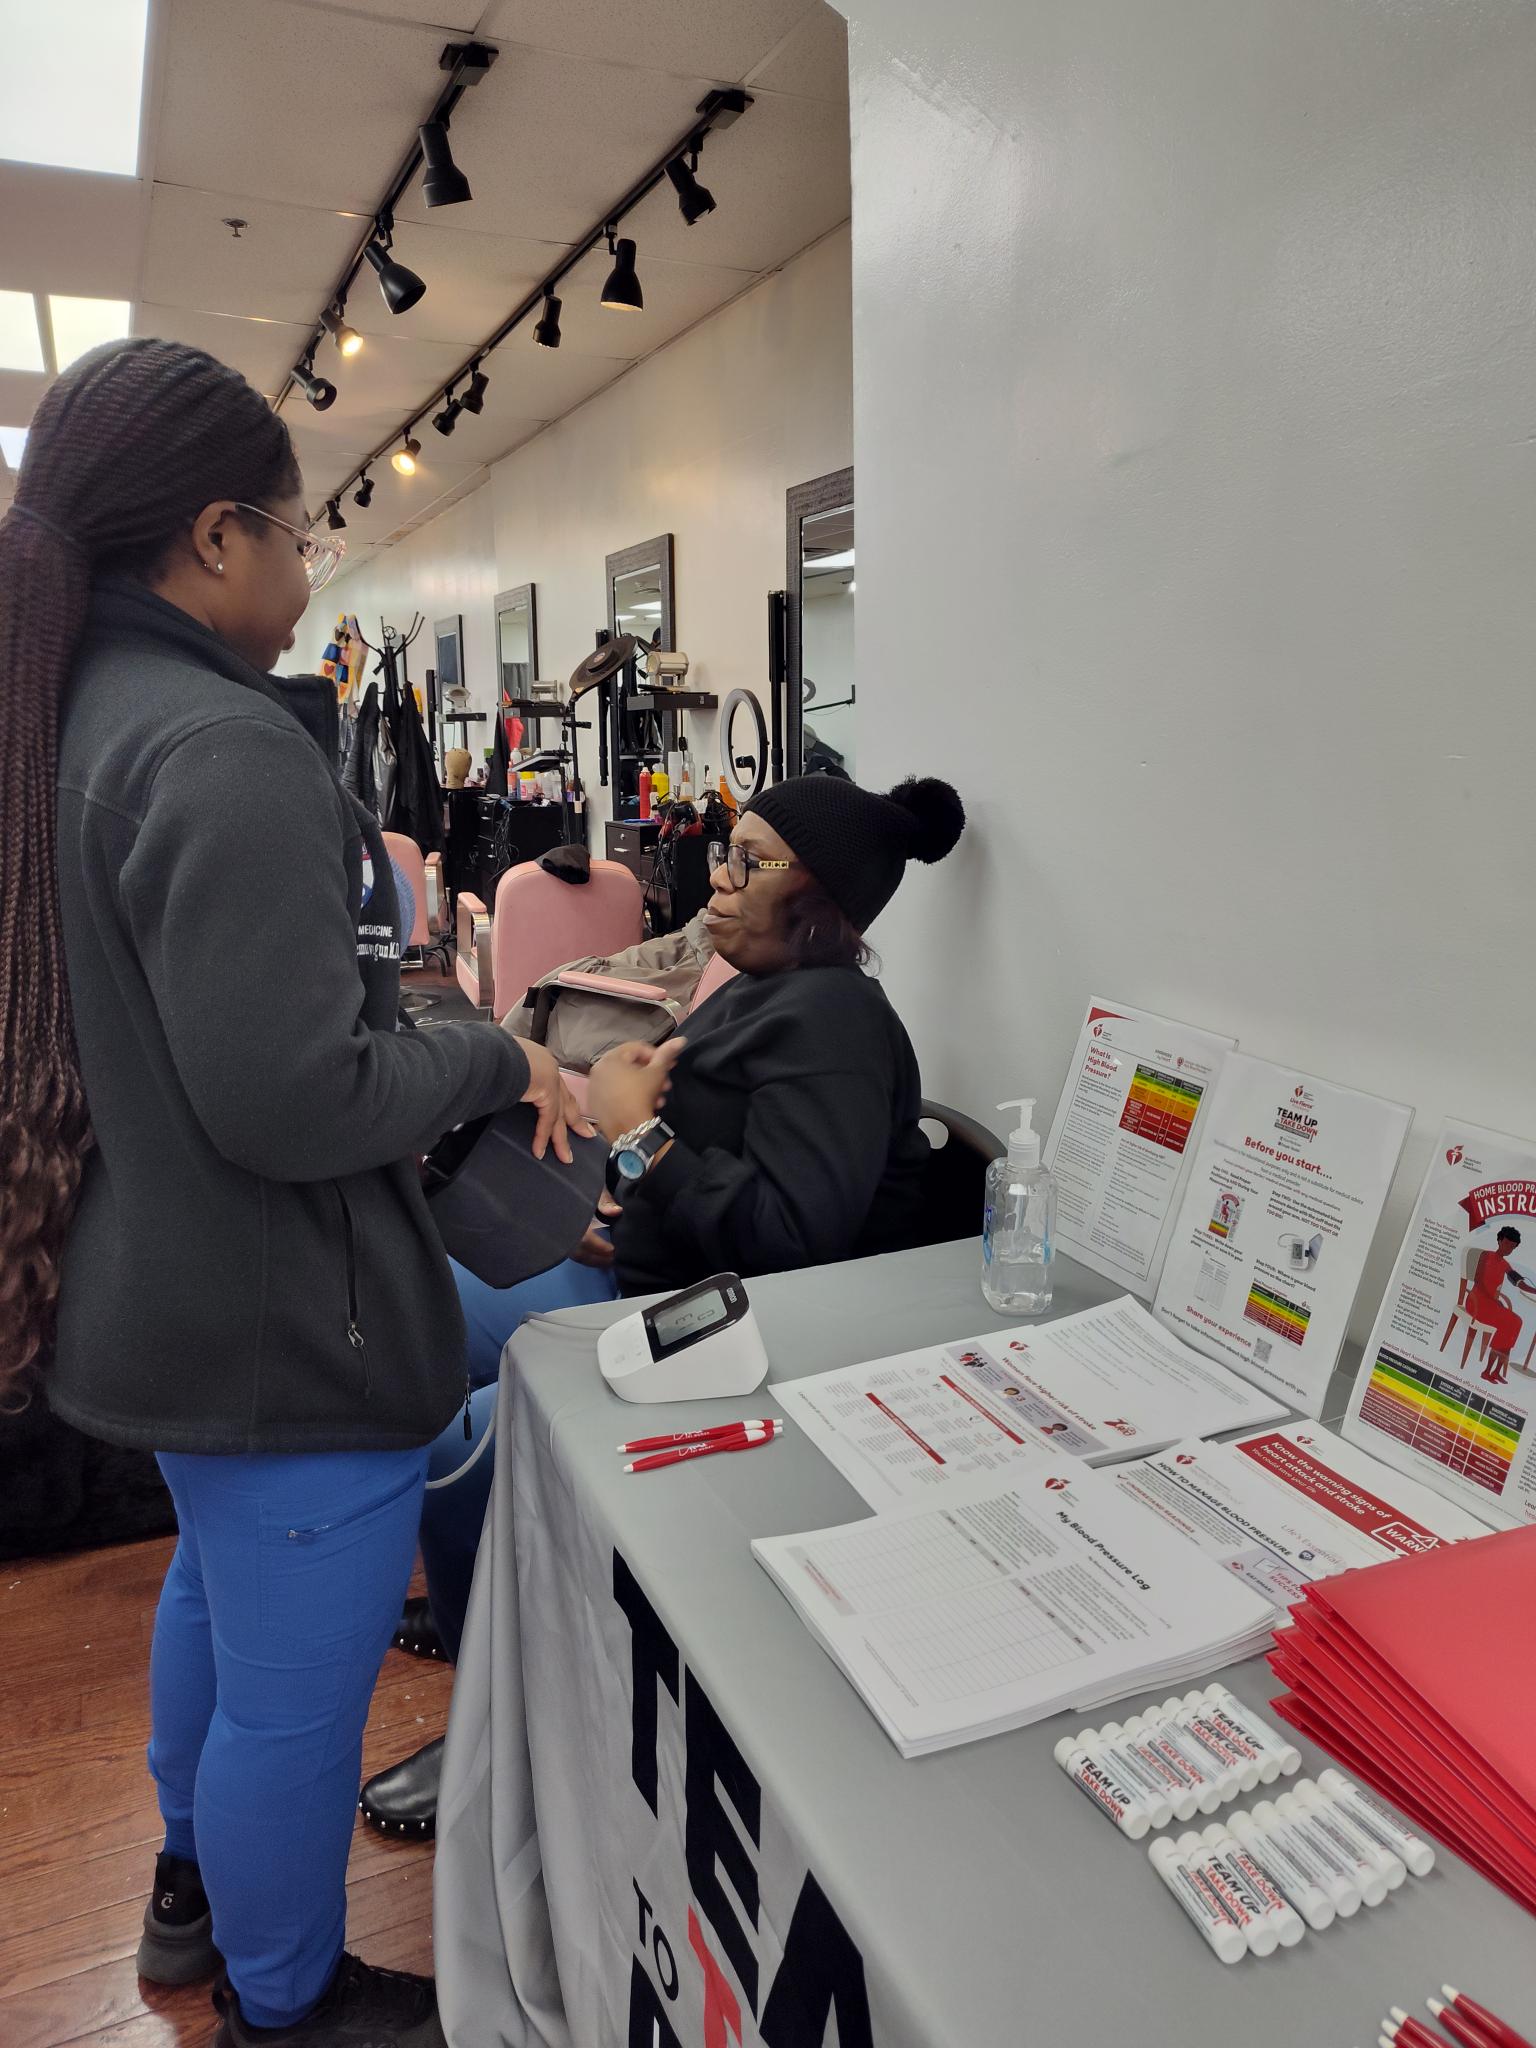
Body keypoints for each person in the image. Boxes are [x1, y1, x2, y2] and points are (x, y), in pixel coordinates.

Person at [0, 339, 584, 2048]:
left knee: (218, 1601)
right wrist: (488, 1057)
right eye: (296, 527)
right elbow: (292, 1091)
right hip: (279, 1318)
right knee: (295, 1699)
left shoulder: (71, 723)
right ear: (209, 536)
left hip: (169, 1295)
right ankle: (284, 1994)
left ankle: (191, 1901)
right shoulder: (217, 746)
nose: (309, 564)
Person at [361, 771, 966, 1836]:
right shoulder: (763, 980)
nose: (716, 882)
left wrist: (640, 1137)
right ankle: (476, 1594)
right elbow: (718, 1151)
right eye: (722, 855)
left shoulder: (835, 1021)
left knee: (465, 1442)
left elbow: (793, 1239)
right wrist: (626, 1175)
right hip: (646, 1262)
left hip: (715, 1330)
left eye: (746, 862)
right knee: (418, 1306)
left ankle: (495, 1715)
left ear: (820, 893)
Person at [1466, 1226, 1536, 1384]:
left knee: (1516, 1322)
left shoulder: (1505, 1265)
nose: (1508, 1248)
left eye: (1512, 1246)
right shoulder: (1486, 1255)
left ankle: (1495, 1371)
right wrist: (1493, 1299)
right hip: (1476, 1302)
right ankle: (1487, 1371)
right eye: (1506, 1243)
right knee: (1508, 1324)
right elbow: (1478, 1280)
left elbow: (1520, 1284)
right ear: (1499, 1240)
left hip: (1491, 1305)